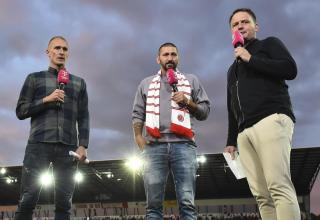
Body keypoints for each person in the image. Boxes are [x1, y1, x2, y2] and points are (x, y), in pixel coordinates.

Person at [224, 8, 300, 219]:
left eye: (245, 22)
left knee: (278, 186)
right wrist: (231, 139)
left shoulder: (269, 44)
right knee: (261, 195)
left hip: (270, 118)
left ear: (255, 27)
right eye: (235, 24)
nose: (240, 26)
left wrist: (251, 59)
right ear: (231, 32)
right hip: (244, 133)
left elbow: (290, 69)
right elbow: (231, 105)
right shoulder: (232, 69)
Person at [132, 42, 210, 219]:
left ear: (178, 58)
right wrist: (138, 136)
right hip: (153, 146)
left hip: (183, 145)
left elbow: (205, 112)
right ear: (158, 58)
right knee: (152, 206)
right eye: (165, 54)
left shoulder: (191, 80)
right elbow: (137, 113)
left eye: (173, 54)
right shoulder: (145, 84)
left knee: (187, 205)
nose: (169, 58)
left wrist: (188, 102)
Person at [14, 36, 90, 220]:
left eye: (64, 49)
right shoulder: (34, 78)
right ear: (48, 52)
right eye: (56, 48)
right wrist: (46, 100)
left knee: (64, 204)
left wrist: (83, 145)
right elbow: (21, 111)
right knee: (28, 199)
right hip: (38, 145)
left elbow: (84, 116)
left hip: (68, 147)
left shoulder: (79, 82)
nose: (61, 52)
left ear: (68, 53)